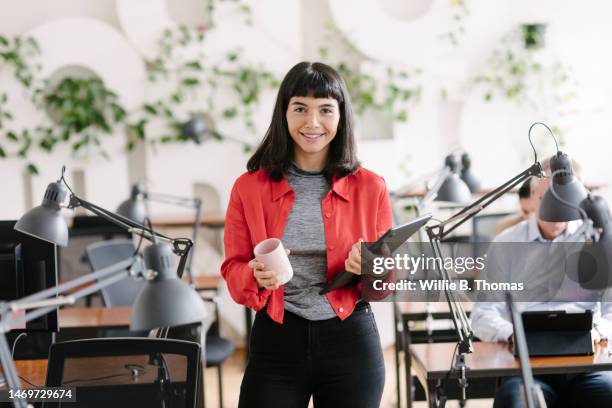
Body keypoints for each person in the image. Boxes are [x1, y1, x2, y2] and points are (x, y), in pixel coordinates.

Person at [221, 62, 392, 408]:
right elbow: (233, 268)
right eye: (300, 108)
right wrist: (253, 274)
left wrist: (373, 267)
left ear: (341, 117)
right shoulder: (248, 188)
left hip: (351, 341)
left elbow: (385, 283)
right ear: (284, 112)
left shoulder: (371, 187)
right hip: (277, 339)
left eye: (325, 110)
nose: (312, 123)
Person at [471, 158, 612, 408]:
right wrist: (512, 334)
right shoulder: (506, 244)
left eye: (567, 200)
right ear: (534, 194)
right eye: (550, 197)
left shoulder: (596, 242)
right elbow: (483, 315)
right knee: (515, 402)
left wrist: (599, 331)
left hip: (588, 366)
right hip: (527, 366)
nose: (559, 207)